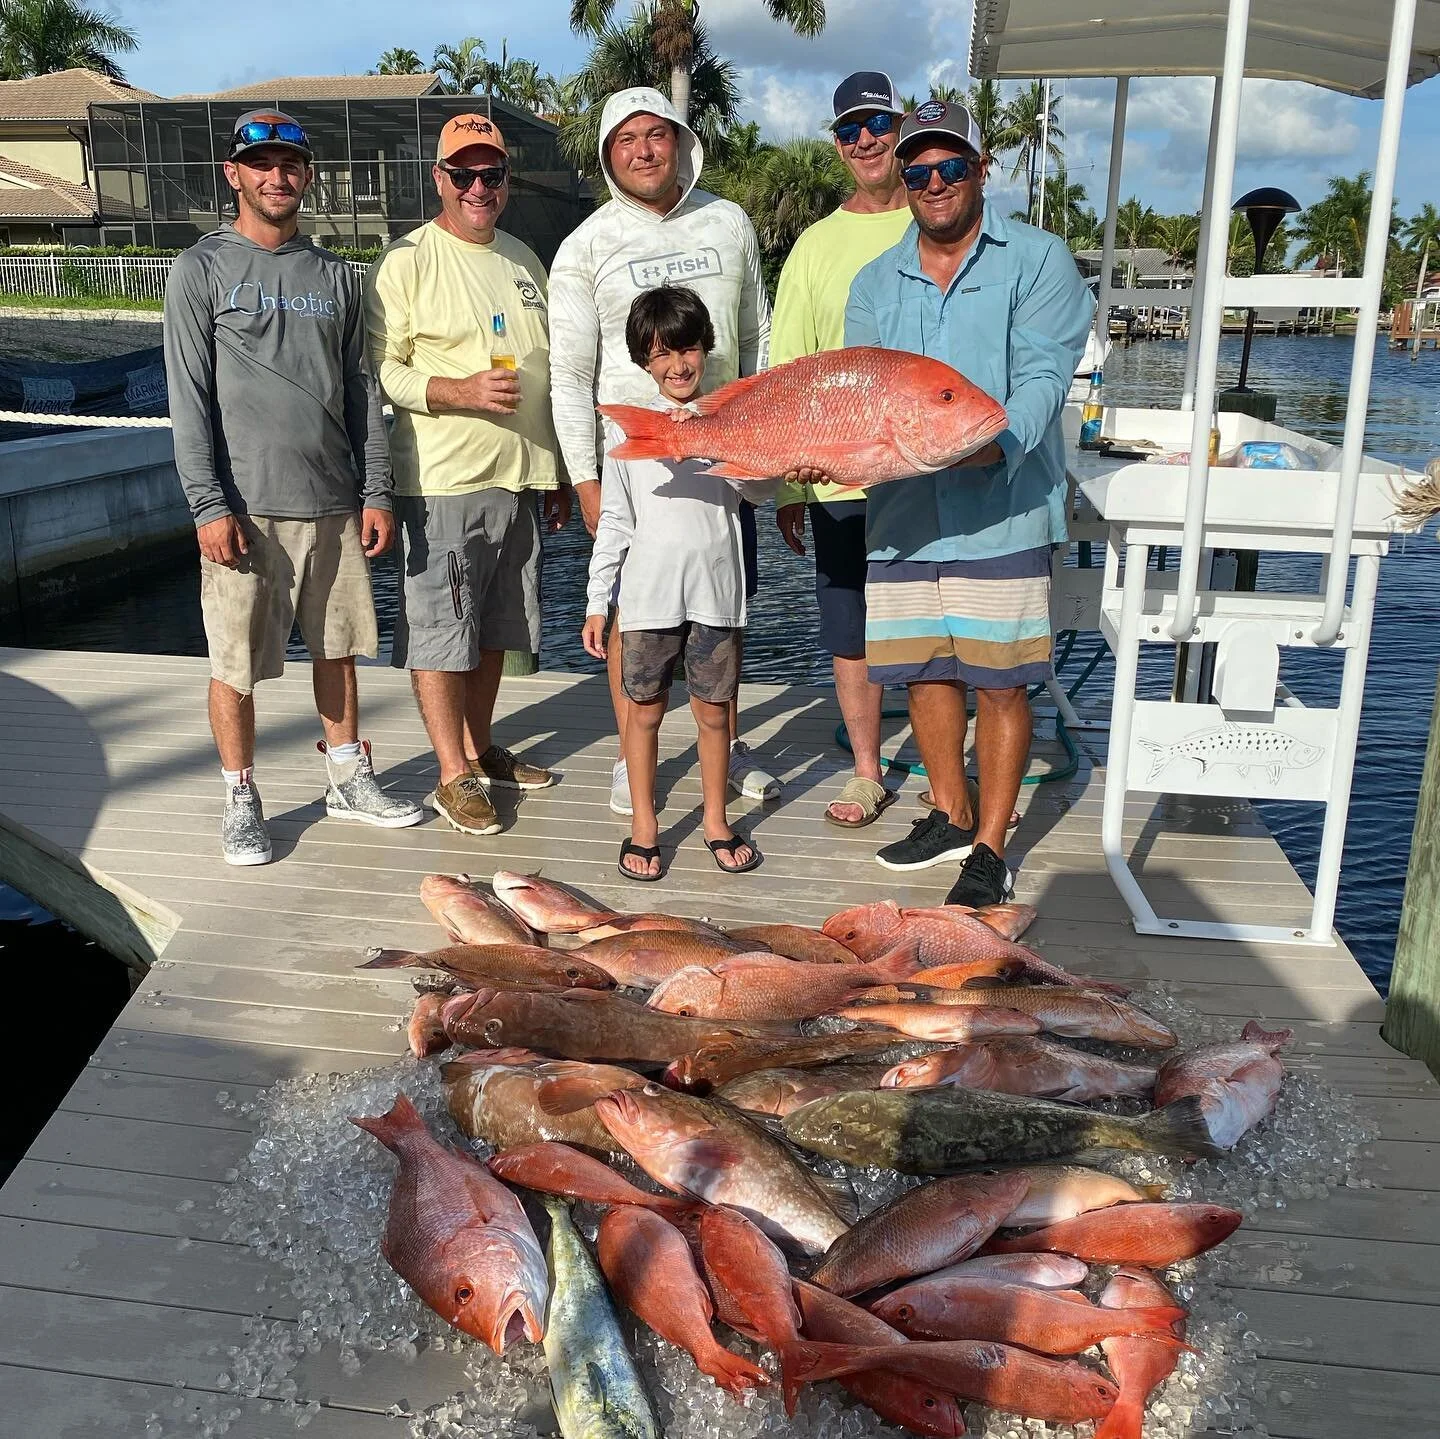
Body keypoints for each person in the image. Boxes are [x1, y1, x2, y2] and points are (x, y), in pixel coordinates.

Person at [845, 99, 1092, 904]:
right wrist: (823, 454)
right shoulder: (874, 281)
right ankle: (949, 812)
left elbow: (1044, 378)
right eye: (918, 171)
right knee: (924, 670)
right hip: (904, 517)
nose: (935, 183)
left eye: (951, 166)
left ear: (982, 170)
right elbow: (856, 392)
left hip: (1004, 510)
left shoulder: (1040, 260)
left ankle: (990, 844)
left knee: (1002, 682)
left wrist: (987, 443)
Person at [163, 108, 422, 867]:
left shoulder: (338, 276)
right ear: (233, 174)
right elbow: (188, 399)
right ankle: (241, 795)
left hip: (334, 502)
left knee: (338, 650)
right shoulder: (201, 269)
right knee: (234, 665)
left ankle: (347, 777)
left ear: (307, 175)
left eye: (290, 164)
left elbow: (361, 392)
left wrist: (376, 491)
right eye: (261, 163)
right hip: (245, 511)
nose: (277, 176)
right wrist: (208, 504)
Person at [549, 85, 778, 818]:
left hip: (727, 454)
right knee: (634, 615)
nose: (643, 150)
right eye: (626, 139)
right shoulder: (584, 246)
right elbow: (568, 375)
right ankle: (631, 754)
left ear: (680, 141)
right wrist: (586, 479)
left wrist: (769, 444)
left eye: (656, 134)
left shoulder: (729, 220)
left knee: (723, 606)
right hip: (634, 466)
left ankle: (727, 741)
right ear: (608, 155)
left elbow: (758, 338)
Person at [365, 113, 569, 837]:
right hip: (444, 482)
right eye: (464, 174)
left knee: (497, 631)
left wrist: (556, 469)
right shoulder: (407, 260)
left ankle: (480, 750)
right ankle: (451, 774)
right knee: (442, 633)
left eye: (492, 174)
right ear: (440, 179)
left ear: (507, 180)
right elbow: (382, 370)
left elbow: (548, 372)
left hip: (520, 480)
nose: (478, 187)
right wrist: (458, 390)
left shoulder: (524, 259)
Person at [582, 287, 769, 881]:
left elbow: (762, 491)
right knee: (644, 714)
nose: (678, 365)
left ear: (706, 349)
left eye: (687, 349)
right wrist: (597, 602)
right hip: (646, 602)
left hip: (717, 596)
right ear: (644, 361)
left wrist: (733, 449)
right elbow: (615, 523)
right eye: (661, 354)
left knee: (714, 715)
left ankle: (716, 821)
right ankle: (645, 825)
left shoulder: (730, 419)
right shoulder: (628, 435)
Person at [769, 71, 913, 830]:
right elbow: (789, 369)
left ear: (901, 127)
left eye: (878, 124)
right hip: (838, 476)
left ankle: (947, 772)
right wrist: (790, 487)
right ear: (837, 144)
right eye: (851, 129)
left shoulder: (937, 217)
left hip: (926, 468)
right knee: (851, 626)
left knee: (933, 619)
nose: (866, 140)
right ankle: (867, 773)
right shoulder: (815, 246)